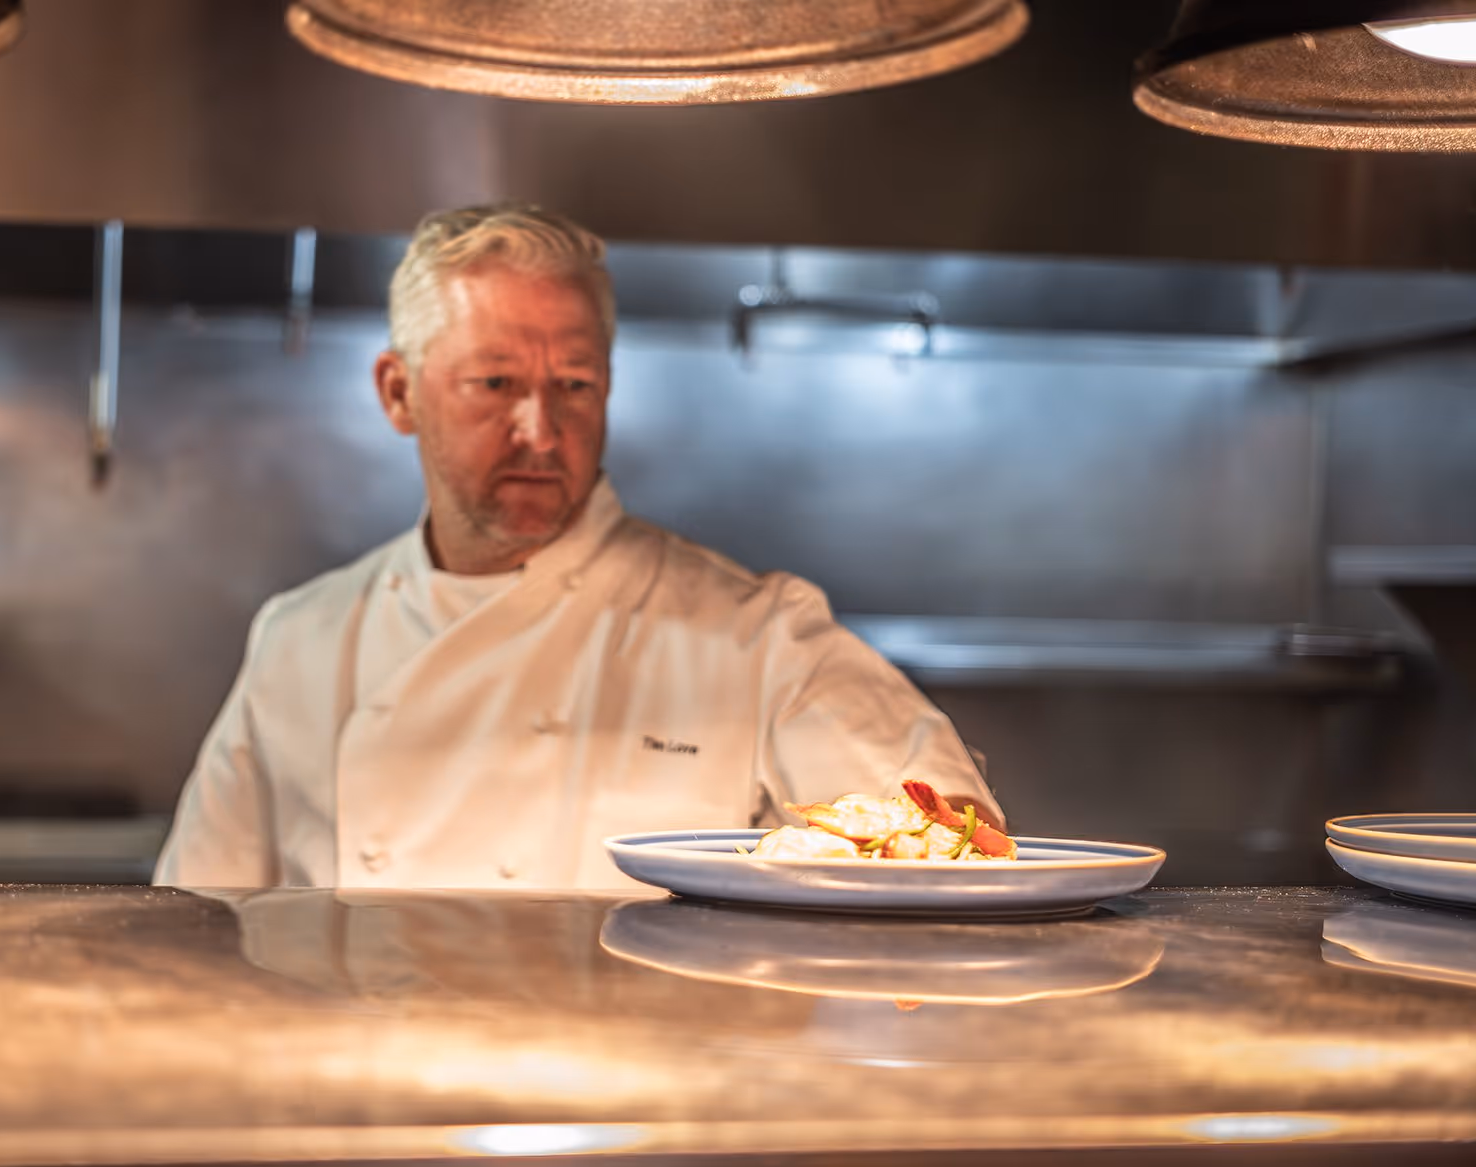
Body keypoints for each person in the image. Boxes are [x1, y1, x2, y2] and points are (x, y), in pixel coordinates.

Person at [154, 202, 1000, 889]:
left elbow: (950, 835)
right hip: (364, 1055)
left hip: (658, 1054)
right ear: (398, 392)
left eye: (574, 384)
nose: (540, 430)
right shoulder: (301, 640)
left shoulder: (754, 635)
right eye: (495, 383)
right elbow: (190, 923)